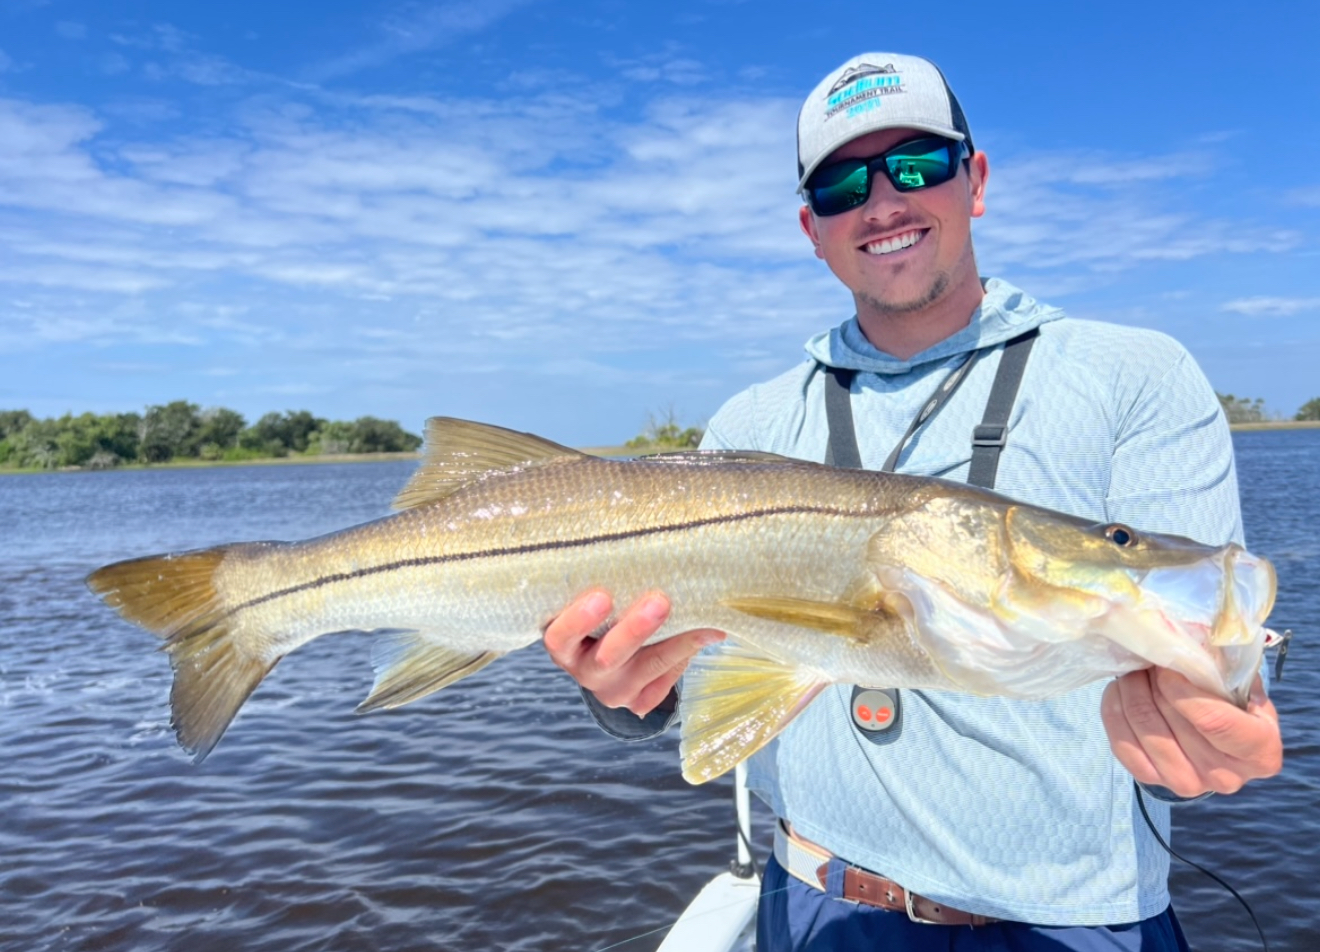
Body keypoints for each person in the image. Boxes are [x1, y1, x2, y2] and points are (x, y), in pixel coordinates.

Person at [543, 52, 1283, 950]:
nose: (884, 201)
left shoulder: (1136, 375)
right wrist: (625, 694)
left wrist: (1214, 722)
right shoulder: (746, 423)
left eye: (919, 164)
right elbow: (698, 685)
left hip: (1073, 921)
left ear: (974, 179)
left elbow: (1216, 666)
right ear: (811, 228)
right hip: (813, 905)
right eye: (843, 184)